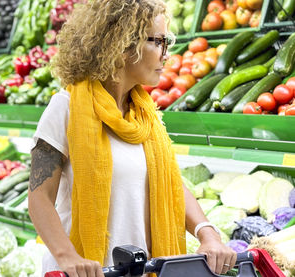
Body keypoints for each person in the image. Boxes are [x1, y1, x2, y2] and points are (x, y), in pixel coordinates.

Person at [28, 0, 237, 276]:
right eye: (159, 41)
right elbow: (39, 196)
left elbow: (169, 183)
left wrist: (206, 232)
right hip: (87, 270)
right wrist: (69, 257)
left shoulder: (144, 114)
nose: (167, 54)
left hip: (142, 269)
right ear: (124, 44)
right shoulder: (66, 107)